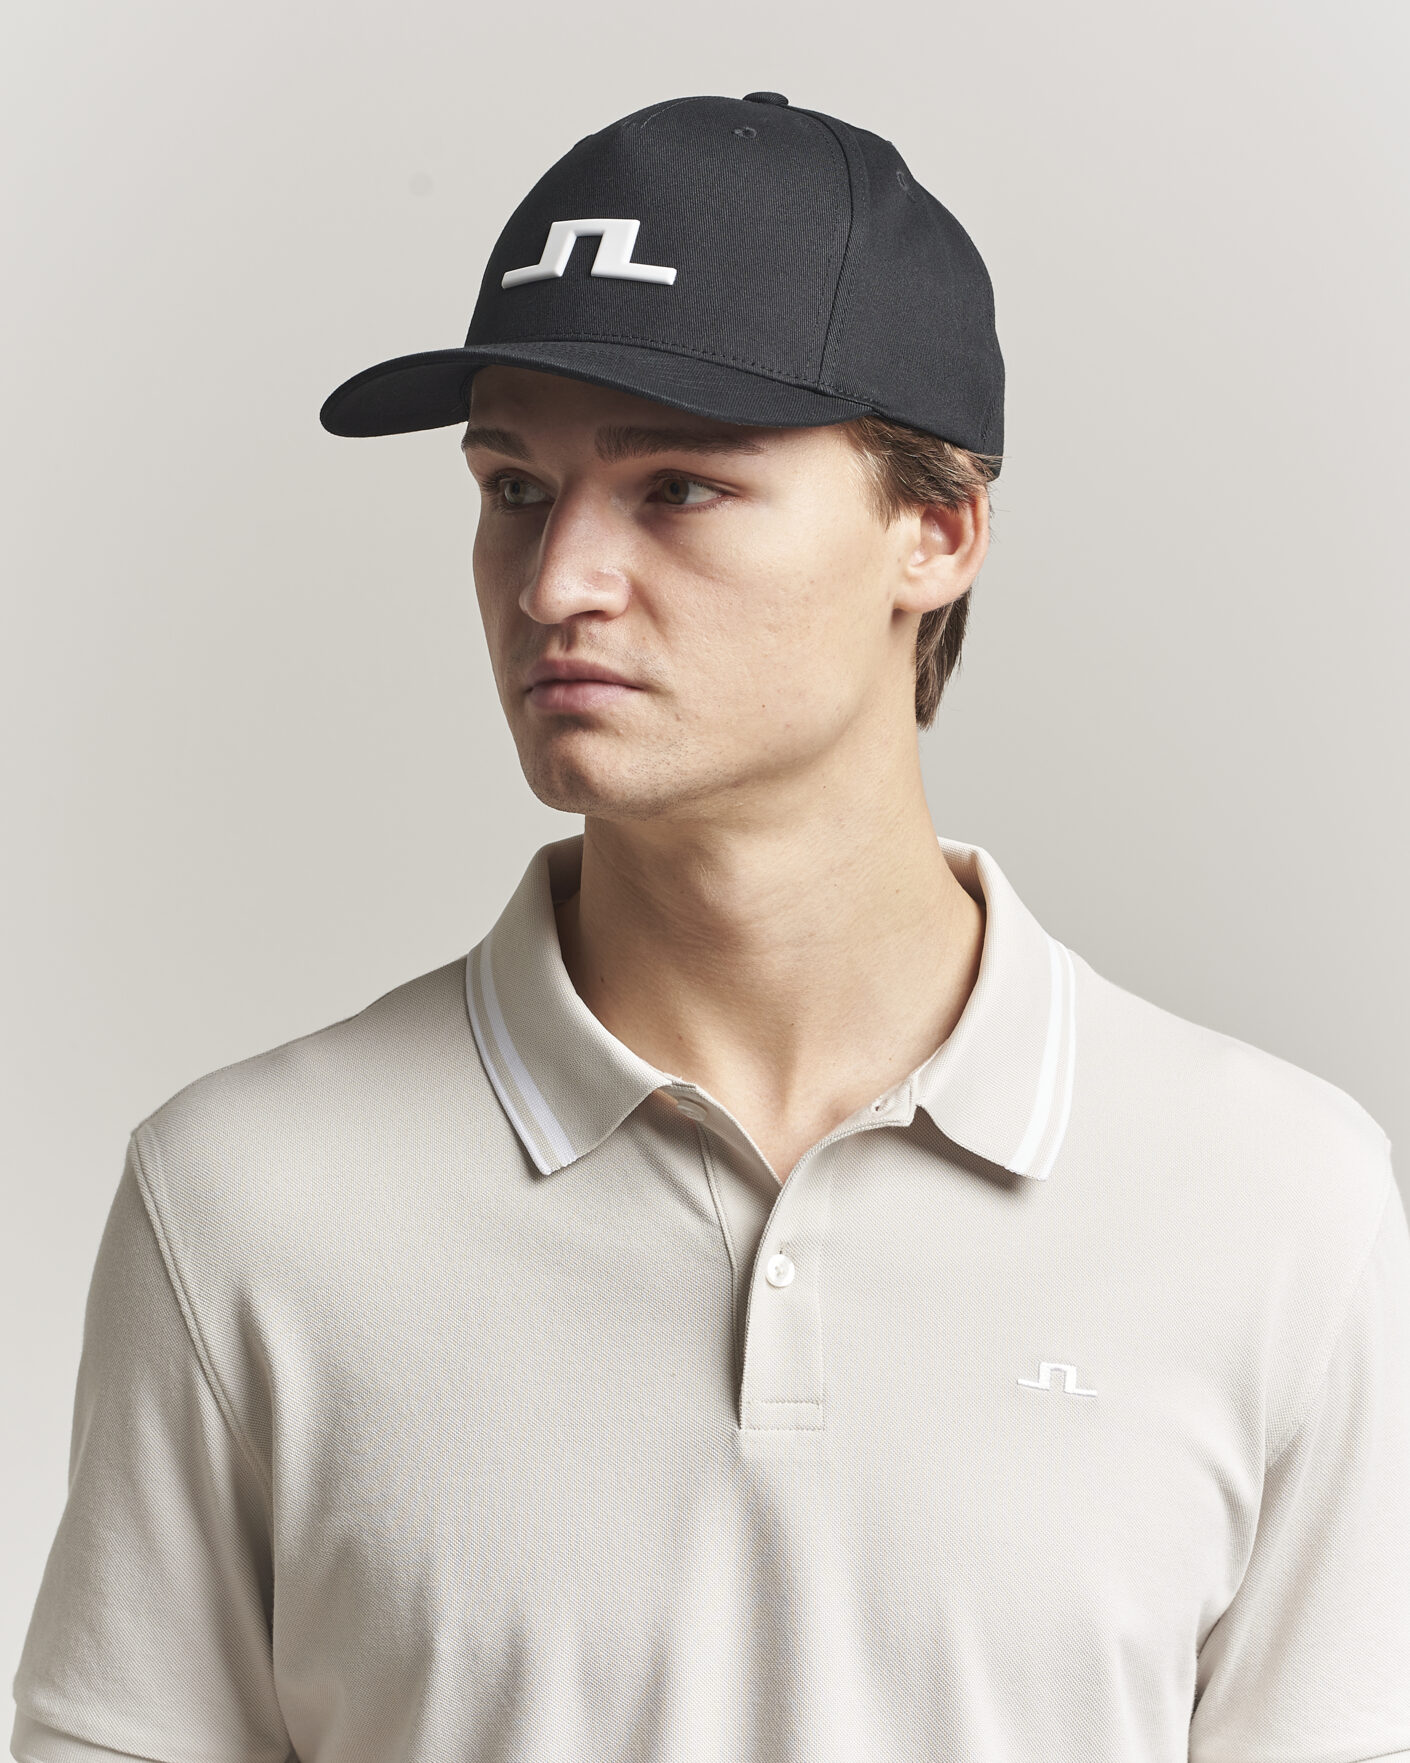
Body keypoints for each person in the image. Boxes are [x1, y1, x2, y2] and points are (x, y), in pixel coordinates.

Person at [11, 89, 1410, 1763]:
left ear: (936, 531)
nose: (555, 585)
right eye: (514, 486)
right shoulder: (247, 1201)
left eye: (674, 487)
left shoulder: (1271, 1202)